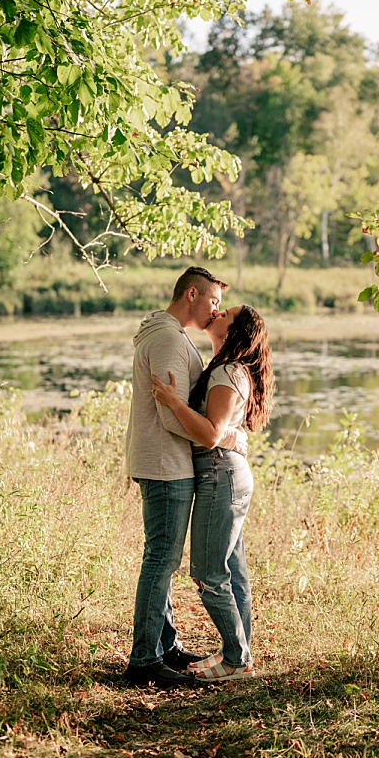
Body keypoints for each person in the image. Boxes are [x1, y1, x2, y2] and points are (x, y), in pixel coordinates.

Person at [121, 264, 243, 689]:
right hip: (166, 464)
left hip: (167, 462)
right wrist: (216, 436)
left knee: (164, 561)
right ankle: (144, 659)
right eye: (212, 300)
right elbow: (170, 415)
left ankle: (164, 645)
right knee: (161, 560)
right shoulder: (170, 340)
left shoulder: (170, 335)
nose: (216, 309)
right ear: (191, 295)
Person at [150, 304, 275, 682]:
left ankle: (237, 660)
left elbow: (209, 434)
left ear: (234, 330)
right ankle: (240, 654)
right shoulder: (227, 368)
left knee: (208, 572)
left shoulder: (226, 371)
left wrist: (172, 402)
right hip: (225, 474)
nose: (216, 313)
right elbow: (222, 430)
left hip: (221, 475)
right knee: (232, 571)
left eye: (225, 314)